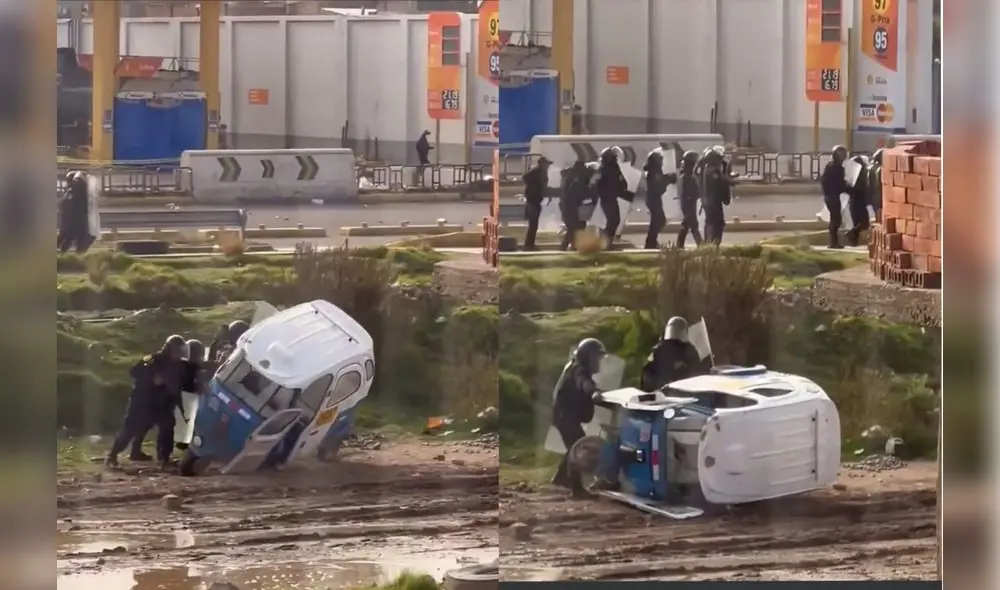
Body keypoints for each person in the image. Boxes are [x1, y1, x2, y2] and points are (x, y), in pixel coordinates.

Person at [105, 335, 187, 467]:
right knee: (131, 429)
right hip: (143, 401)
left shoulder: (179, 365)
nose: (179, 354)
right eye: (177, 351)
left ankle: (164, 458)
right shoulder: (153, 359)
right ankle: (112, 455)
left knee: (167, 426)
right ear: (169, 349)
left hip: (162, 403)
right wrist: (151, 379)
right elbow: (134, 371)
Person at [551, 337, 607, 498]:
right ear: (587, 357)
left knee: (573, 446)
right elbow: (583, 383)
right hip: (565, 415)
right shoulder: (579, 370)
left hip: (564, 414)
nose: (599, 361)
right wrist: (594, 392)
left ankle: (561, 479)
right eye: (597, 357)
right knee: (579, 447)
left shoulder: (575, 366)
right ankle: (577, 490)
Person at [640, 317, 709, 391]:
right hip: (681, 392)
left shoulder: (658, 349)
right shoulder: (689, 349)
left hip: (665, 392)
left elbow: (647, 373)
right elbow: (698, 372)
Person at [642, 148, 677, 250]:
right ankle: (650, 242)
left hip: (653, 198)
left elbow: (661, 179)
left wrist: (668, 178)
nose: (662, 162)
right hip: (653, 199)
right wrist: (669, 180)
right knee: (658, 220)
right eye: (660, 160)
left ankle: (651, 241)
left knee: (658, 221)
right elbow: (659, 186)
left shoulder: (654, 171)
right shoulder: (652, 172)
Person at [821, 145, 852, 249]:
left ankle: (833, 242)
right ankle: (833, 243)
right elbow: (839, 185)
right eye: (842, 154)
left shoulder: (830, 166)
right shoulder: (837, 168)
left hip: (830, 196)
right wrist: (850, 189)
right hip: (832, 196)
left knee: (834, 219)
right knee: (836, 219)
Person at [700, 148, 734, 245]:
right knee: (715, 225)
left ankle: (710, 244)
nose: (720, 161)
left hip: (712, 203)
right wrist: (731, 181)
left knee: (713, 223)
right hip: (712, 204)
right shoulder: (711, 171)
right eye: (718, 159)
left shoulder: (710, 170)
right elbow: (721, 181)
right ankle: (712, 245)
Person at [595, 147, 628, 247]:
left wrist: (622, 190)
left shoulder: (614, 169)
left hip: (612, 198)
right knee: (613, 221)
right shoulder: (602, 170)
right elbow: (596, 184)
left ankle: (607, 242)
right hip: (606, 199)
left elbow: (622, 181)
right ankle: (604, 242)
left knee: (615, 220)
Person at [559, 160, 593, 251]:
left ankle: (573, 247)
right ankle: (565, 247)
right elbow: (581, 192)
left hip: (566, 205)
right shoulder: (581, 177)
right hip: (575, 206)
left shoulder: (569, 175)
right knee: (576, 227)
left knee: (573, 227)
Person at [58, 171, 93, 253]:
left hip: (72, 222)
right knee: (74, 242)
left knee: (68, 241)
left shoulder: (72, 192)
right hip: (76, 222)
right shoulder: (76, 191)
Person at [521, 156, 551, 251]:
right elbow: (525, 178)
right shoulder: (537, 171)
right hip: (533, 200)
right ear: (542, 164)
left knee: (534, 224)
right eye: (547, 164)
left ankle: (530, 244)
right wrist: (534, 189)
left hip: (535, 200)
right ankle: (529, 245)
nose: (548, 166)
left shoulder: (540, 172)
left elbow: (544, 186)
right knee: (533, 224)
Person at [675, 150, 703, 248]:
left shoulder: (686, 174)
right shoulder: (688, 176)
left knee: (690, 225)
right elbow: (691, 192)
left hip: (688, 203)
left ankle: (681, 245)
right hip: (689, 203)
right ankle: (700, 245)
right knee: (689, 224)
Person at [844, 155, 871, 247]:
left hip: (853, 201)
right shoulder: (860, 174)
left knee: (858, 222)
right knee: (864, 221)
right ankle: (851, 235)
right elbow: (864, 187)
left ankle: (853, 240)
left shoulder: (851, 174)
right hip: (858, 200)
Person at [867, 149, 884, 222]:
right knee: (881, 217)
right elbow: (879, 184)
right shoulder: (880, 169)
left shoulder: (870, 167)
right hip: (880, 195)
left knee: (878, 216)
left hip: (873, 195)